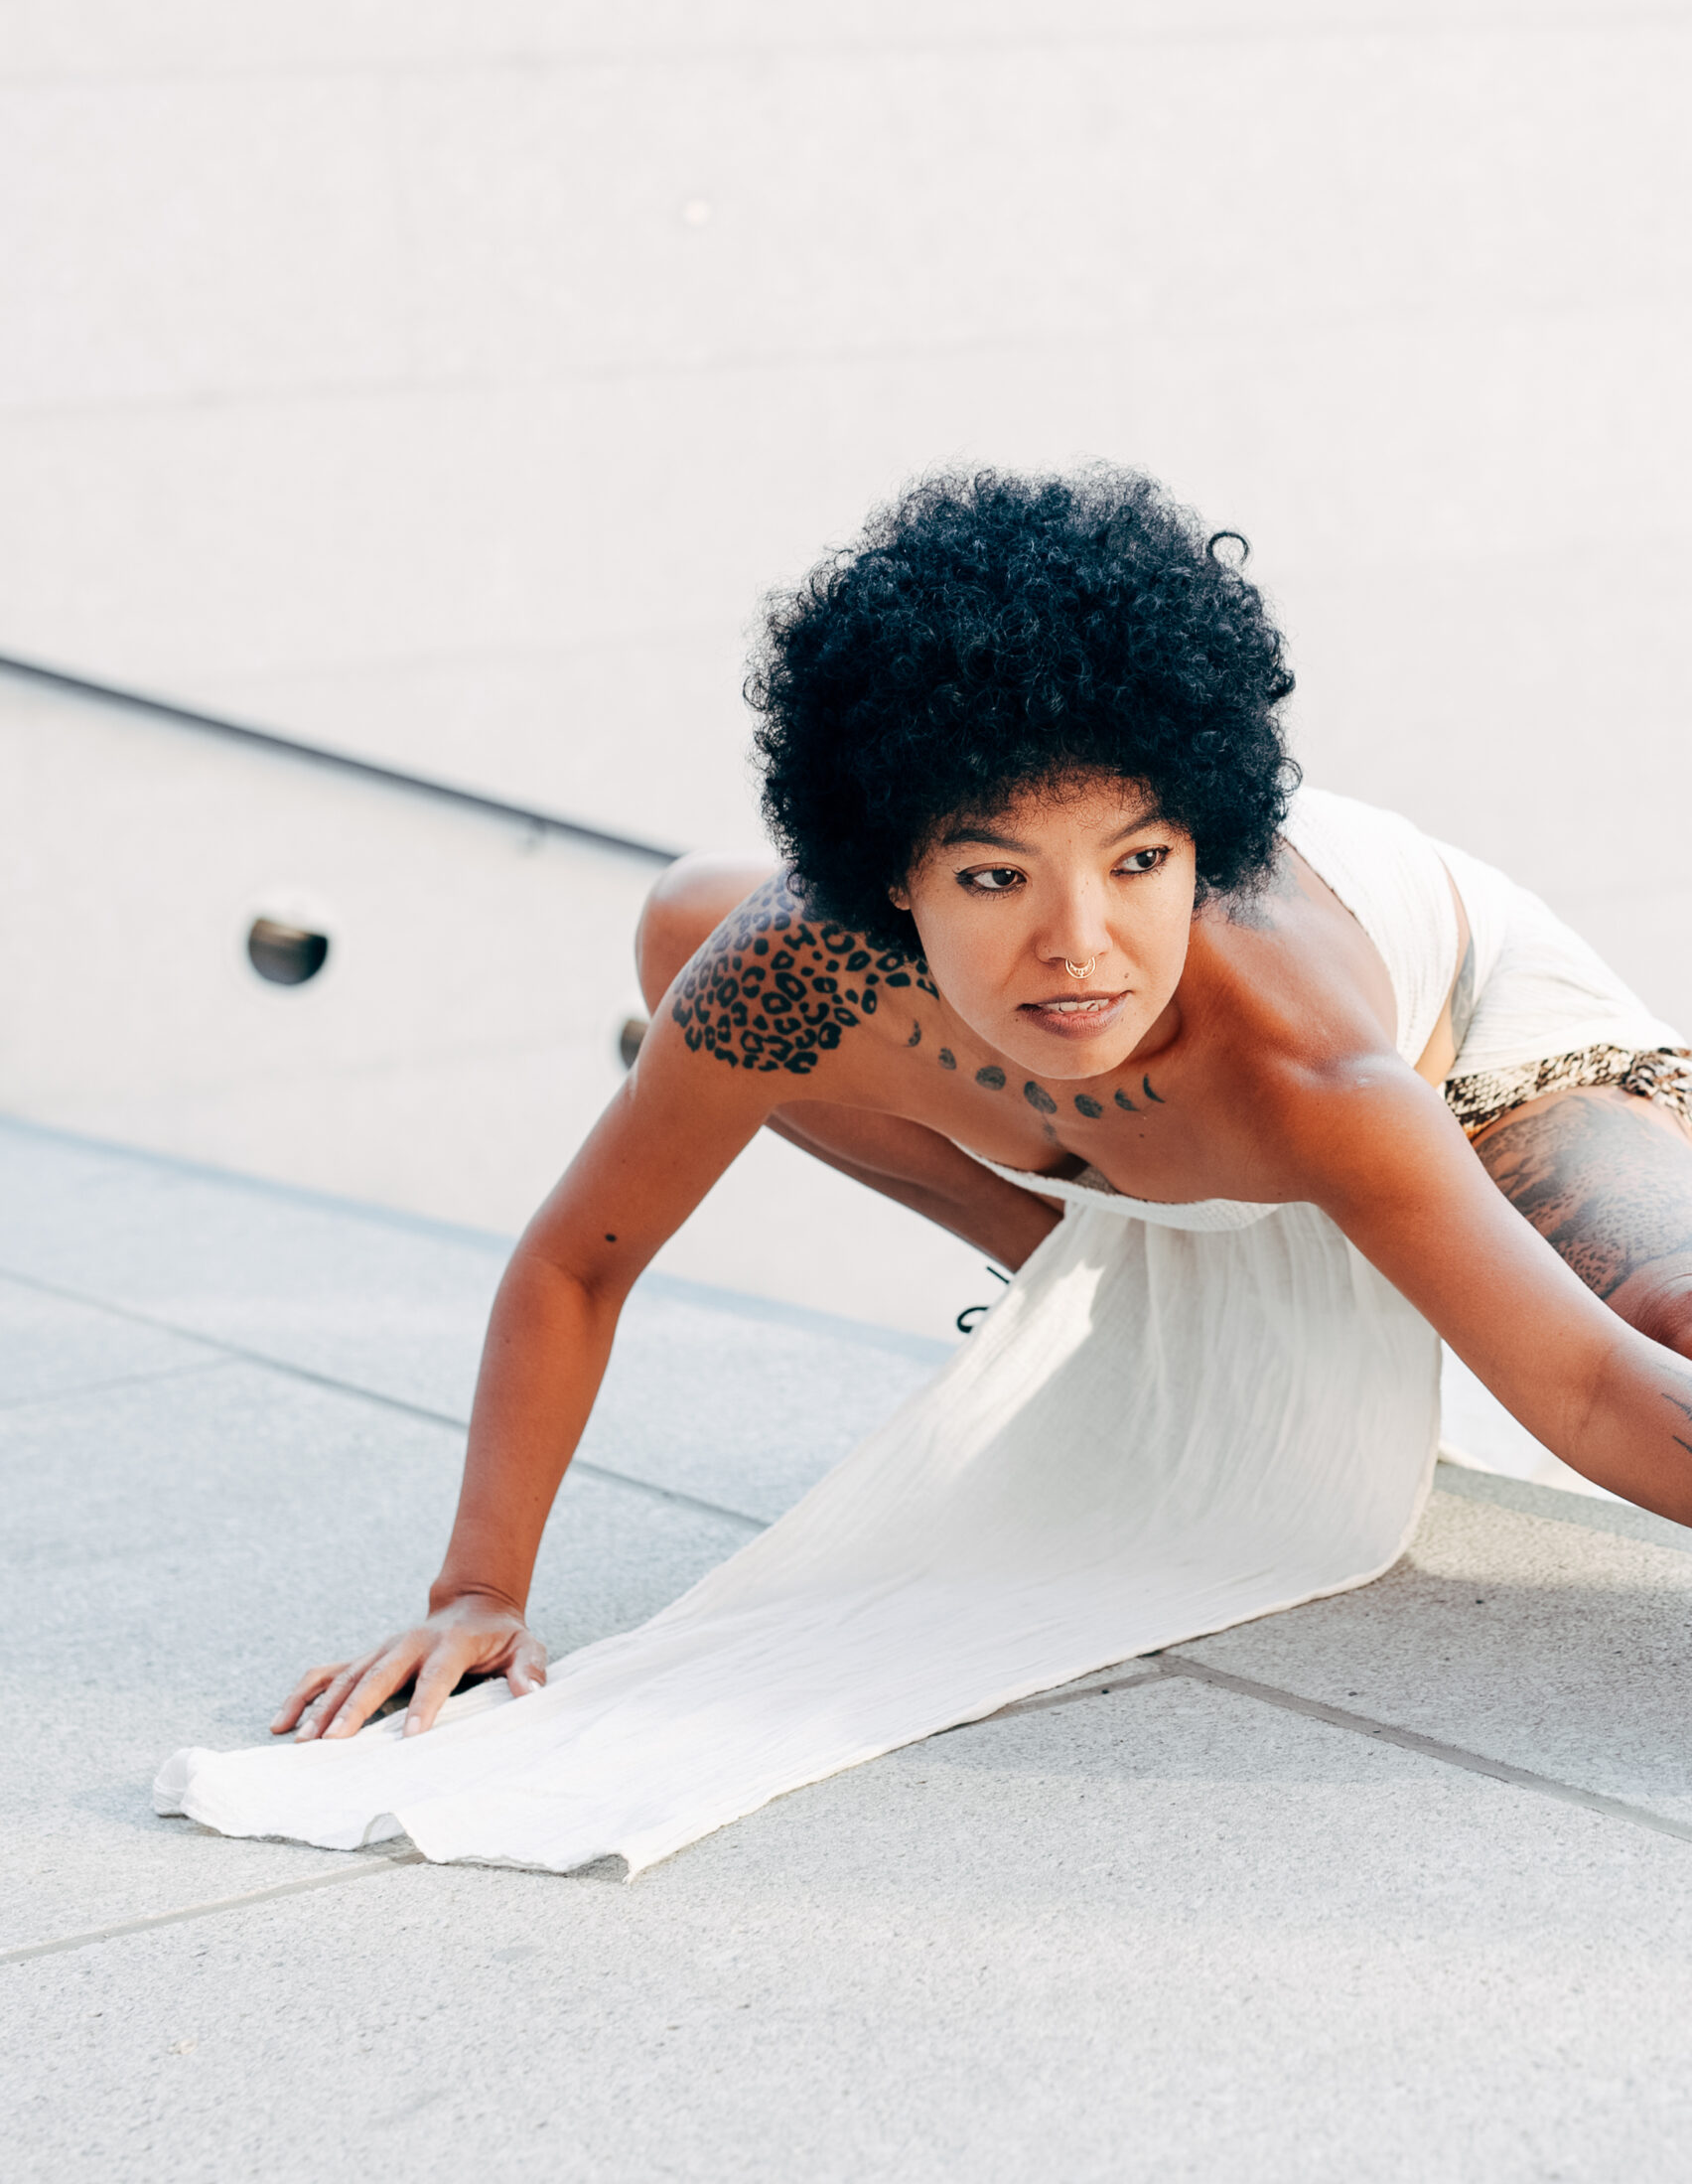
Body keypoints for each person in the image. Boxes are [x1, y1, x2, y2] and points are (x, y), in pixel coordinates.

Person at [163, 469, 1692, 1874]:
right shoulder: (791, 978)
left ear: (1201, 845)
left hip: (1469, 1028)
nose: (1081, 944)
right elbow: (580, 1260)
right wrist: (476, 1594)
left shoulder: (1315, 1071)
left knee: (1668, 1310)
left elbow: (1588, 1390)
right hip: (1104, 1125)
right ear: (894, 875)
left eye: (1140, 862)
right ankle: (1073, 1280)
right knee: (684, 925)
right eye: (993, 876)